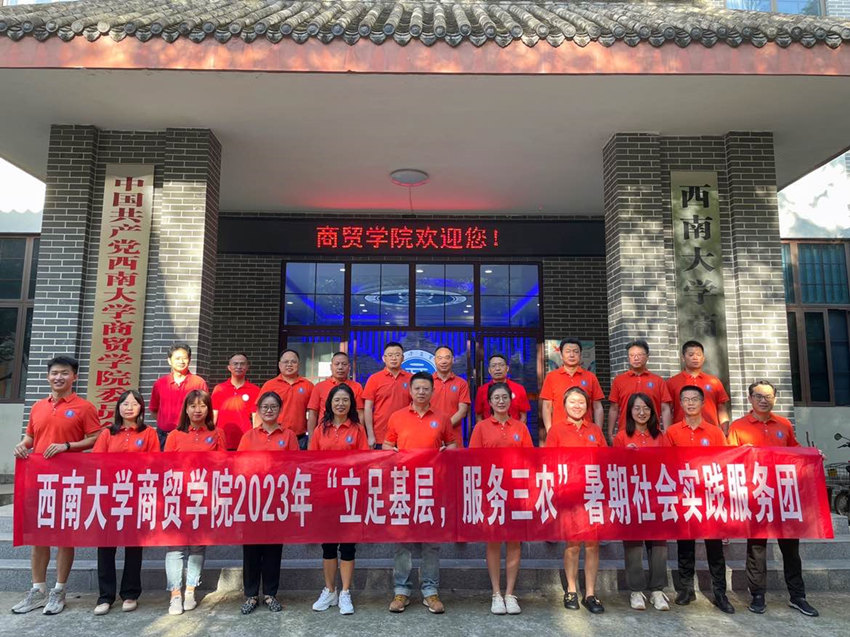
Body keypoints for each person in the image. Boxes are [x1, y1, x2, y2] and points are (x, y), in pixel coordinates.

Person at [11, 355, 101, 615]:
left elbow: (96, 437)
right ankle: (38, 590)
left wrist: (67, 446)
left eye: (64, 373)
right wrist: (22, 445)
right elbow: (30, 437)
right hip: (39, 479)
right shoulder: (38, 406)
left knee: (64, 536)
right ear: (48, 376)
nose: (58, 377)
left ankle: (59, 590)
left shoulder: (84, 407)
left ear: (74, 377)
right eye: (54, 373)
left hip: (69, 480)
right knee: (39, 536)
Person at [727, 380, 818, 617]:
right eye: (758, 396)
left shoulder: (784, 424)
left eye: (768, 396)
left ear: (775, 399)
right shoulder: (738, 427)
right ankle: (757, 595)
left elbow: (795, 451)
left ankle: (797, 596)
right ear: (750, 399)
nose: (763, 400)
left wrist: (813, 456)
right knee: (756, 549)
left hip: (783, 496)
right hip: (755, 496)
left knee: (791, 549)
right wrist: (742, 453)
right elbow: (728, 459)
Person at [383, 372, 457, 614]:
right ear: (410, 391)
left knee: (431, 542)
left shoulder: (442, 418)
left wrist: (447, 452)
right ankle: (401, 591)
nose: (422, 392)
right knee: (402, 540)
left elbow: (453, 444)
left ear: (432, 391)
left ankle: (430, 591)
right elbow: (387, 445)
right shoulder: (397, 417)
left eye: (426, 388)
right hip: (404, 487)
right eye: (417, 388)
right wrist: (391, 452)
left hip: (431, 486)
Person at [665, 385, 733, 614]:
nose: (691, 403)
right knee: (685, 545)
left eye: (695, 399)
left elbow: (725, 462)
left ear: (703, 403)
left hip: (710, 496)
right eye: (686, 399)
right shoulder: (672, 432)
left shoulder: (715, 432)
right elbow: (665, 463)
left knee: (715, 548)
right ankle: (686, 590)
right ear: (680, 404)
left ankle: (720, 593)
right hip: (684, 496)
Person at [91, 390, 159, 616]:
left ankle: (130, 594)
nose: (129, 407)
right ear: (118, 408)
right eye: (125, 403)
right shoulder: (107, 433)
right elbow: (97, 462)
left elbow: (154, 463)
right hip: (110, 495)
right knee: (105, 546)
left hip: (137, 495)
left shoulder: (149, 433)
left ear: (141, 408)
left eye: (134, 404)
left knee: (133, 546)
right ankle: (105, 596)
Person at [468, 382, 532, 615]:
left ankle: (510, 593)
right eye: (496, 398)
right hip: (491, 490)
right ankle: (496, 593)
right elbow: (474, 460)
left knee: (515, 541)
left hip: (516, 490)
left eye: (505, 397)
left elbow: (530, 459)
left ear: (510, 400)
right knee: (493, 540)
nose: (501, 401)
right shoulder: (481, 427)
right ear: (489, 402)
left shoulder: (520, 428)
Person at [309, 384, 370, 615]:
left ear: (351, 404)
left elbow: (364, 460)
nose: (341, 404)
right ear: (329, 404)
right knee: (328, 546)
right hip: (326, 495)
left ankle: (345, 592)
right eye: (337, 400)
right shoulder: (320, 430)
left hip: (349, 495)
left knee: (347, 546)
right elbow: (312, 462)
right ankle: (329, 590)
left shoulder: (358, 429)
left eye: (345, 400)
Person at [163, 390, 225, 615]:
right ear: (186, 410)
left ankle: (190, 590)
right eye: (193, 406)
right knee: (175, 547)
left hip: (204, 497)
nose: (197, 410)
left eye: (202, 405)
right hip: (178, 497)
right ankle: (175, 594)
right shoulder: (174, 435)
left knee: (198, 544)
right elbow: (165, 467)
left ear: (209, 409)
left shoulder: (217, 433)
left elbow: (223, 465)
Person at [545, 387, 606, 614]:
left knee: (592, 544)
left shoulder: (595, 430)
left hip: (593, 493)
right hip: (569, 494)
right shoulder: (556, 430)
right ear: (564, 405)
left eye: (581, 402)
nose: (577, 406)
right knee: (572, 544)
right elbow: (550, 462)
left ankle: (590, 593)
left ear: (587, 405)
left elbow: (605, 459)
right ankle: (571, 590)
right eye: (572, 402)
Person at [236, 391, 297, 614]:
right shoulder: (248, 437)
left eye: (273, 407)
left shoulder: (289, 436)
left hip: (277, 501)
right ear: (258, 411)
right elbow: (239, 466)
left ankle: (271, 594)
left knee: (273, 549)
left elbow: (294, 466)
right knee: (251, 550)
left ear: (280, 410)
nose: (269, 410)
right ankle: (251, 595)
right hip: (252, 500)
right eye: (265, 407)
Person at [612, 393, 670, 611]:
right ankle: (636, 590)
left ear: (653, 412)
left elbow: (671, 464)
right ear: (629, 412)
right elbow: (613, 468)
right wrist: (626, 456)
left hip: (657, 495)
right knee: (633, 543)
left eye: (646, 408)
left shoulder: (661, 437)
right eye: (637, 408)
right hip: (632, 496)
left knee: (659, 544)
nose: (642, 412)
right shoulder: (621, 437)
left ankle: (657, 590)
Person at [607, 339, 672, 441]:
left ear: (647, 356)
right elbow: (614, 408)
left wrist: (667, 433)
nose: (636, 358)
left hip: (652, 434)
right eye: (632, 355)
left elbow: (665, 408)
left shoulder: (658, 381)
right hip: (625, 433)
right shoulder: (618, 380)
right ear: (628, 358)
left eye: (640, 355)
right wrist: (610, 433)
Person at [149, 343, 208, 450]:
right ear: (169, 361)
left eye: (184, 358)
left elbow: (206, 408)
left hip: (190, 435)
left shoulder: (199, 382)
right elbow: (154, 410)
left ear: (189, 360)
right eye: (177, 358)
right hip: (164, 436)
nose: (181, 361)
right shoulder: (160, 383)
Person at [666, 340, 731, 434]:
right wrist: (668, 433)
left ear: (703, 358)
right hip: (681, 433)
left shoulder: (714, 381)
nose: (695, 358)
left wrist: (724, 431)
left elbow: (722, 409)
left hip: (711, 433)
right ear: (683, 358)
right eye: (691, 355)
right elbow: (667, 410)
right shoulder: (672, 382)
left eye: (698, 355)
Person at [540, 338, 604, 431]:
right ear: (561, 355)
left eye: (575, 351)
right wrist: (549, 431)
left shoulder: (590, 377)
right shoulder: (551, 377)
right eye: (568, 351)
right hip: (559, 432)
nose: (572, 355)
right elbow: (547, 407)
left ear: (580, 355)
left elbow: (597, 407)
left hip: (585, 431)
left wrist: (598, 431)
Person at [259, 349, 314, 449]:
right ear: (279, 365)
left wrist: (311, 439)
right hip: (275, 436)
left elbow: (313, 414)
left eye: (293, 362)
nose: (289, 365)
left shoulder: (308, 386)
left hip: (300, 438)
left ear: (299, 364)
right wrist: (258, 435)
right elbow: (259, 412)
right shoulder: (269, 385)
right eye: (286, 362)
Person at [363, 341, 412, 448]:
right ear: (384, 358)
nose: (394, 358)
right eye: (390, 355)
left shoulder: (411, 379)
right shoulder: (374, 379)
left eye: (397, 355)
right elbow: (368, 408)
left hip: (405, 434)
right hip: (380, 435)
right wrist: (370, 435)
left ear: (403, 358)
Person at [306, 351, 364, 435]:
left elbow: (360, 414)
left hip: (350, 434)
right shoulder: (319, 387)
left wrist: (360, 434)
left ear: (349, 367)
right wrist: (311, 438)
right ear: (331, 367)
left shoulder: (357, 387)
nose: (340, 367)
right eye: (337, 364)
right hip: (324, 433)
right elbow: (313, 414)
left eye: (344, 364)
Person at [211, 352, 260, 451]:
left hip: (245, 440)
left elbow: (256, 419)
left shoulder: (255, 390)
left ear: (247, 367)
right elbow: (213, 416)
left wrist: (256, 440)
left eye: (242, 364)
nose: (239, 366)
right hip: (222, 439)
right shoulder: (219, 389)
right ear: (229, 367)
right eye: (235, 364)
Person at [430, 345, 471, 445]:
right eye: (440, 358)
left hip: (454, 438)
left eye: (447, 358)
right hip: (431, 435)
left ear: (452, 360)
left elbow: (462, 411)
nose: (443, 361)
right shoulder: (427, 382)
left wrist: (444, 428)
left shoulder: (461, 383)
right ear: (434, 360)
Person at [474, 353, 531, 424]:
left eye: (501, 365)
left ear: (507, 368)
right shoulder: (482, 390)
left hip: (513, 429)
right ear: (489, 370)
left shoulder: (519, 389)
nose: (498, 368)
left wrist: (518, 429)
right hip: (489, 430)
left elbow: (523, 416)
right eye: (493, 366)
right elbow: (478, 416)